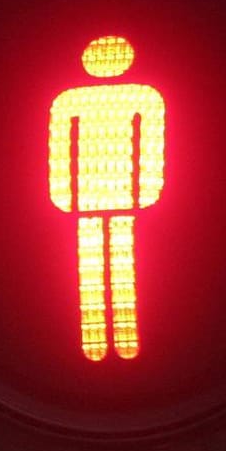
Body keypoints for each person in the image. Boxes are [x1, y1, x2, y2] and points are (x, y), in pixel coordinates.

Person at [47, 35, 165, 361]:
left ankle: (119, 342)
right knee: (95, 270)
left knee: (114, 265)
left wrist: (148, 190)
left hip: (114, 193)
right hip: (95, 194)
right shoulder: (70, 100)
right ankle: (96, 342)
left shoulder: (145, 96)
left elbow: (150, 138)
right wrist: (62, 193)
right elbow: (61, 143)